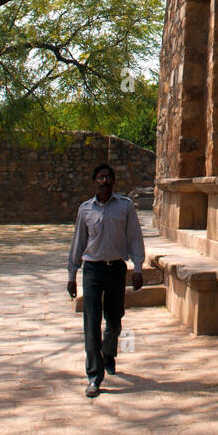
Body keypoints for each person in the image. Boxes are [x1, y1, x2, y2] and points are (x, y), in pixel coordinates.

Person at [67, 163, 144, 397]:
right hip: (92, 269)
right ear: (95, 181)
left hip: (116, 269)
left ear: (113, 181)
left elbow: (134, 238)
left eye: (108, 177)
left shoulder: (125, 207)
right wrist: (72, 275)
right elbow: (78, 243)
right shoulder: (85, 210)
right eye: (100, 178)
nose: (104, 181)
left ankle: (108, 353)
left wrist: (138, 268)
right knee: (91, 322)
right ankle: (94, 376)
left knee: (115, 318)